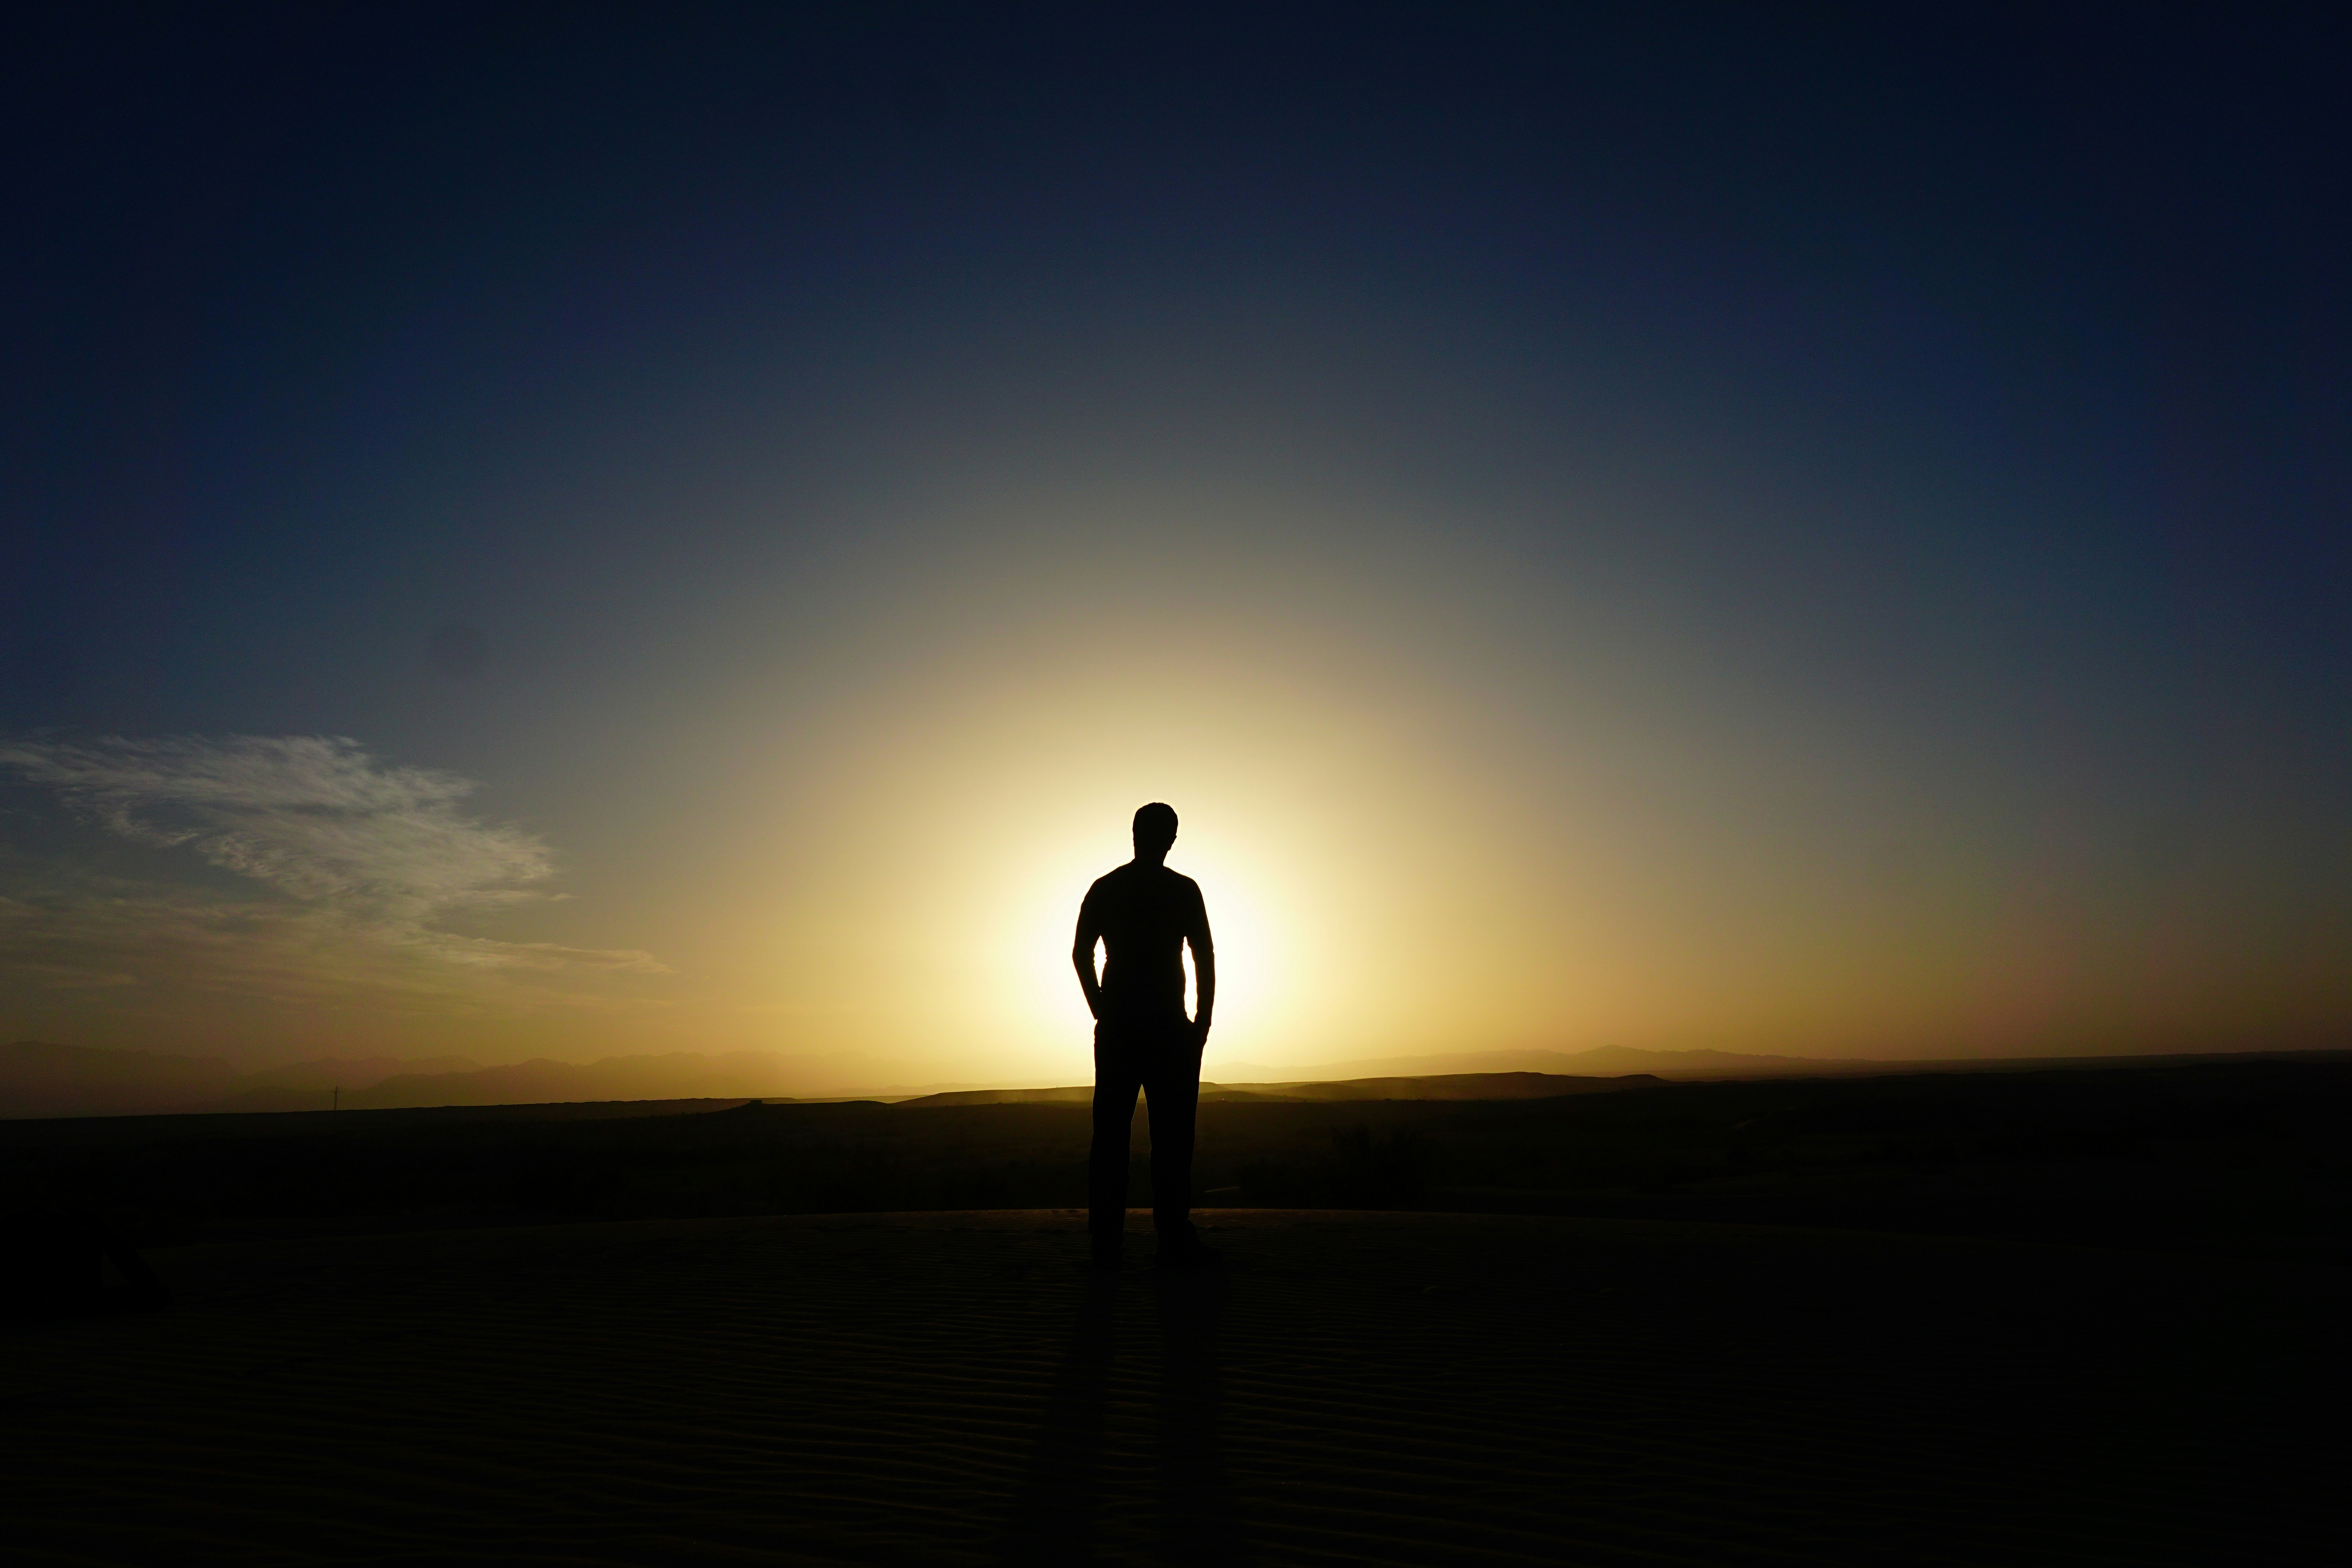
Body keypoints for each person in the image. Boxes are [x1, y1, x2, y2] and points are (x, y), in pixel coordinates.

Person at [1073, 802, 1217, 1268]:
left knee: (1112, 1135)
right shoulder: (1182, 890)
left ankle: (1108, 1235)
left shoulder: (1107, 888)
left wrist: (1101, 1008)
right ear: (1170, 839)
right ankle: (1170, 1230)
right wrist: (1201, 1023)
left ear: (1136, 834)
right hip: (1168, 1029)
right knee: (1171, 1138)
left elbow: (1081, 953)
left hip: (1123, 1028)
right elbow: (1204, 955)